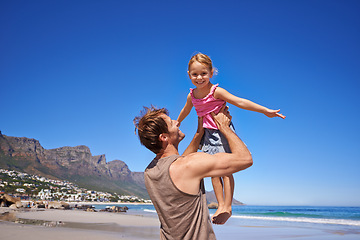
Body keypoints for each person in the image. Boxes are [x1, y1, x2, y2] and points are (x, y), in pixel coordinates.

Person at [177, 53, 286, 224]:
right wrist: (178, 121)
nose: (199, 78)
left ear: (212, 73)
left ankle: (227, 205)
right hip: (207, 135)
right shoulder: (192, 95)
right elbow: (186, 110)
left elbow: (239, 101)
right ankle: (221, 205)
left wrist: (265, 111)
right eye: (195, 74)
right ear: (189, 75)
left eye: (204, 73)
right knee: (212, 170)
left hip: (222, 131)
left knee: (226, 170)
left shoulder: (216, 91)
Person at [134, 105, 252, 239]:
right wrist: (224, 126)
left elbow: (180, 162)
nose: (177, 122)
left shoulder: (150, 172)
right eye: (172, 123)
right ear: (164, 137)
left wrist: (199, 133)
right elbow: (245, 159)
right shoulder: (188, 165)